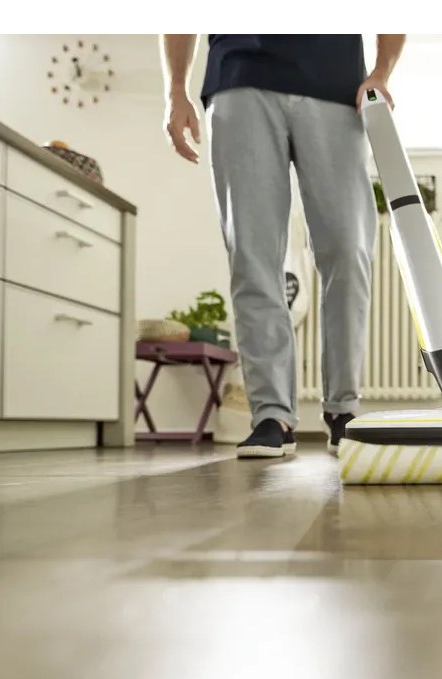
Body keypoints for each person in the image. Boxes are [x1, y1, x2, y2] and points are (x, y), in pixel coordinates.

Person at [160, 34, 406, 458]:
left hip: (336, 83)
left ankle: (343, 409)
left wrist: (382, 71)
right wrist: (175, 89)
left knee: (349, 250)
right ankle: (271, 415)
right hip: (240, 74)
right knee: (252, 257)